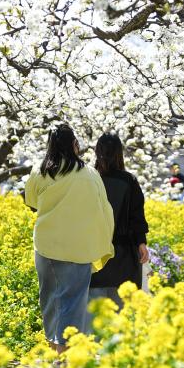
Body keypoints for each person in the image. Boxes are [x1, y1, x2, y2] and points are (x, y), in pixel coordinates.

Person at [24, 125, 114, 353]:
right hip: (79, 248)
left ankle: (53, 349)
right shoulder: (89, 174)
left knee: (49, 301)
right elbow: (103, 209)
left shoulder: (40, 171)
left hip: (45, 246)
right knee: (72, 303)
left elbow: (32, 201)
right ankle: (64, 356)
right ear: (74, 144)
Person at [89, 134, 149, 309]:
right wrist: (141, 243)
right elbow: (136, 216)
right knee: (121, 315)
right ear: (119, 153)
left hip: (94, 254)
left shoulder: (89, 180)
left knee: (94, 318)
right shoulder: (128, 181)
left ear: (97, 152)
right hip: (124, 256)